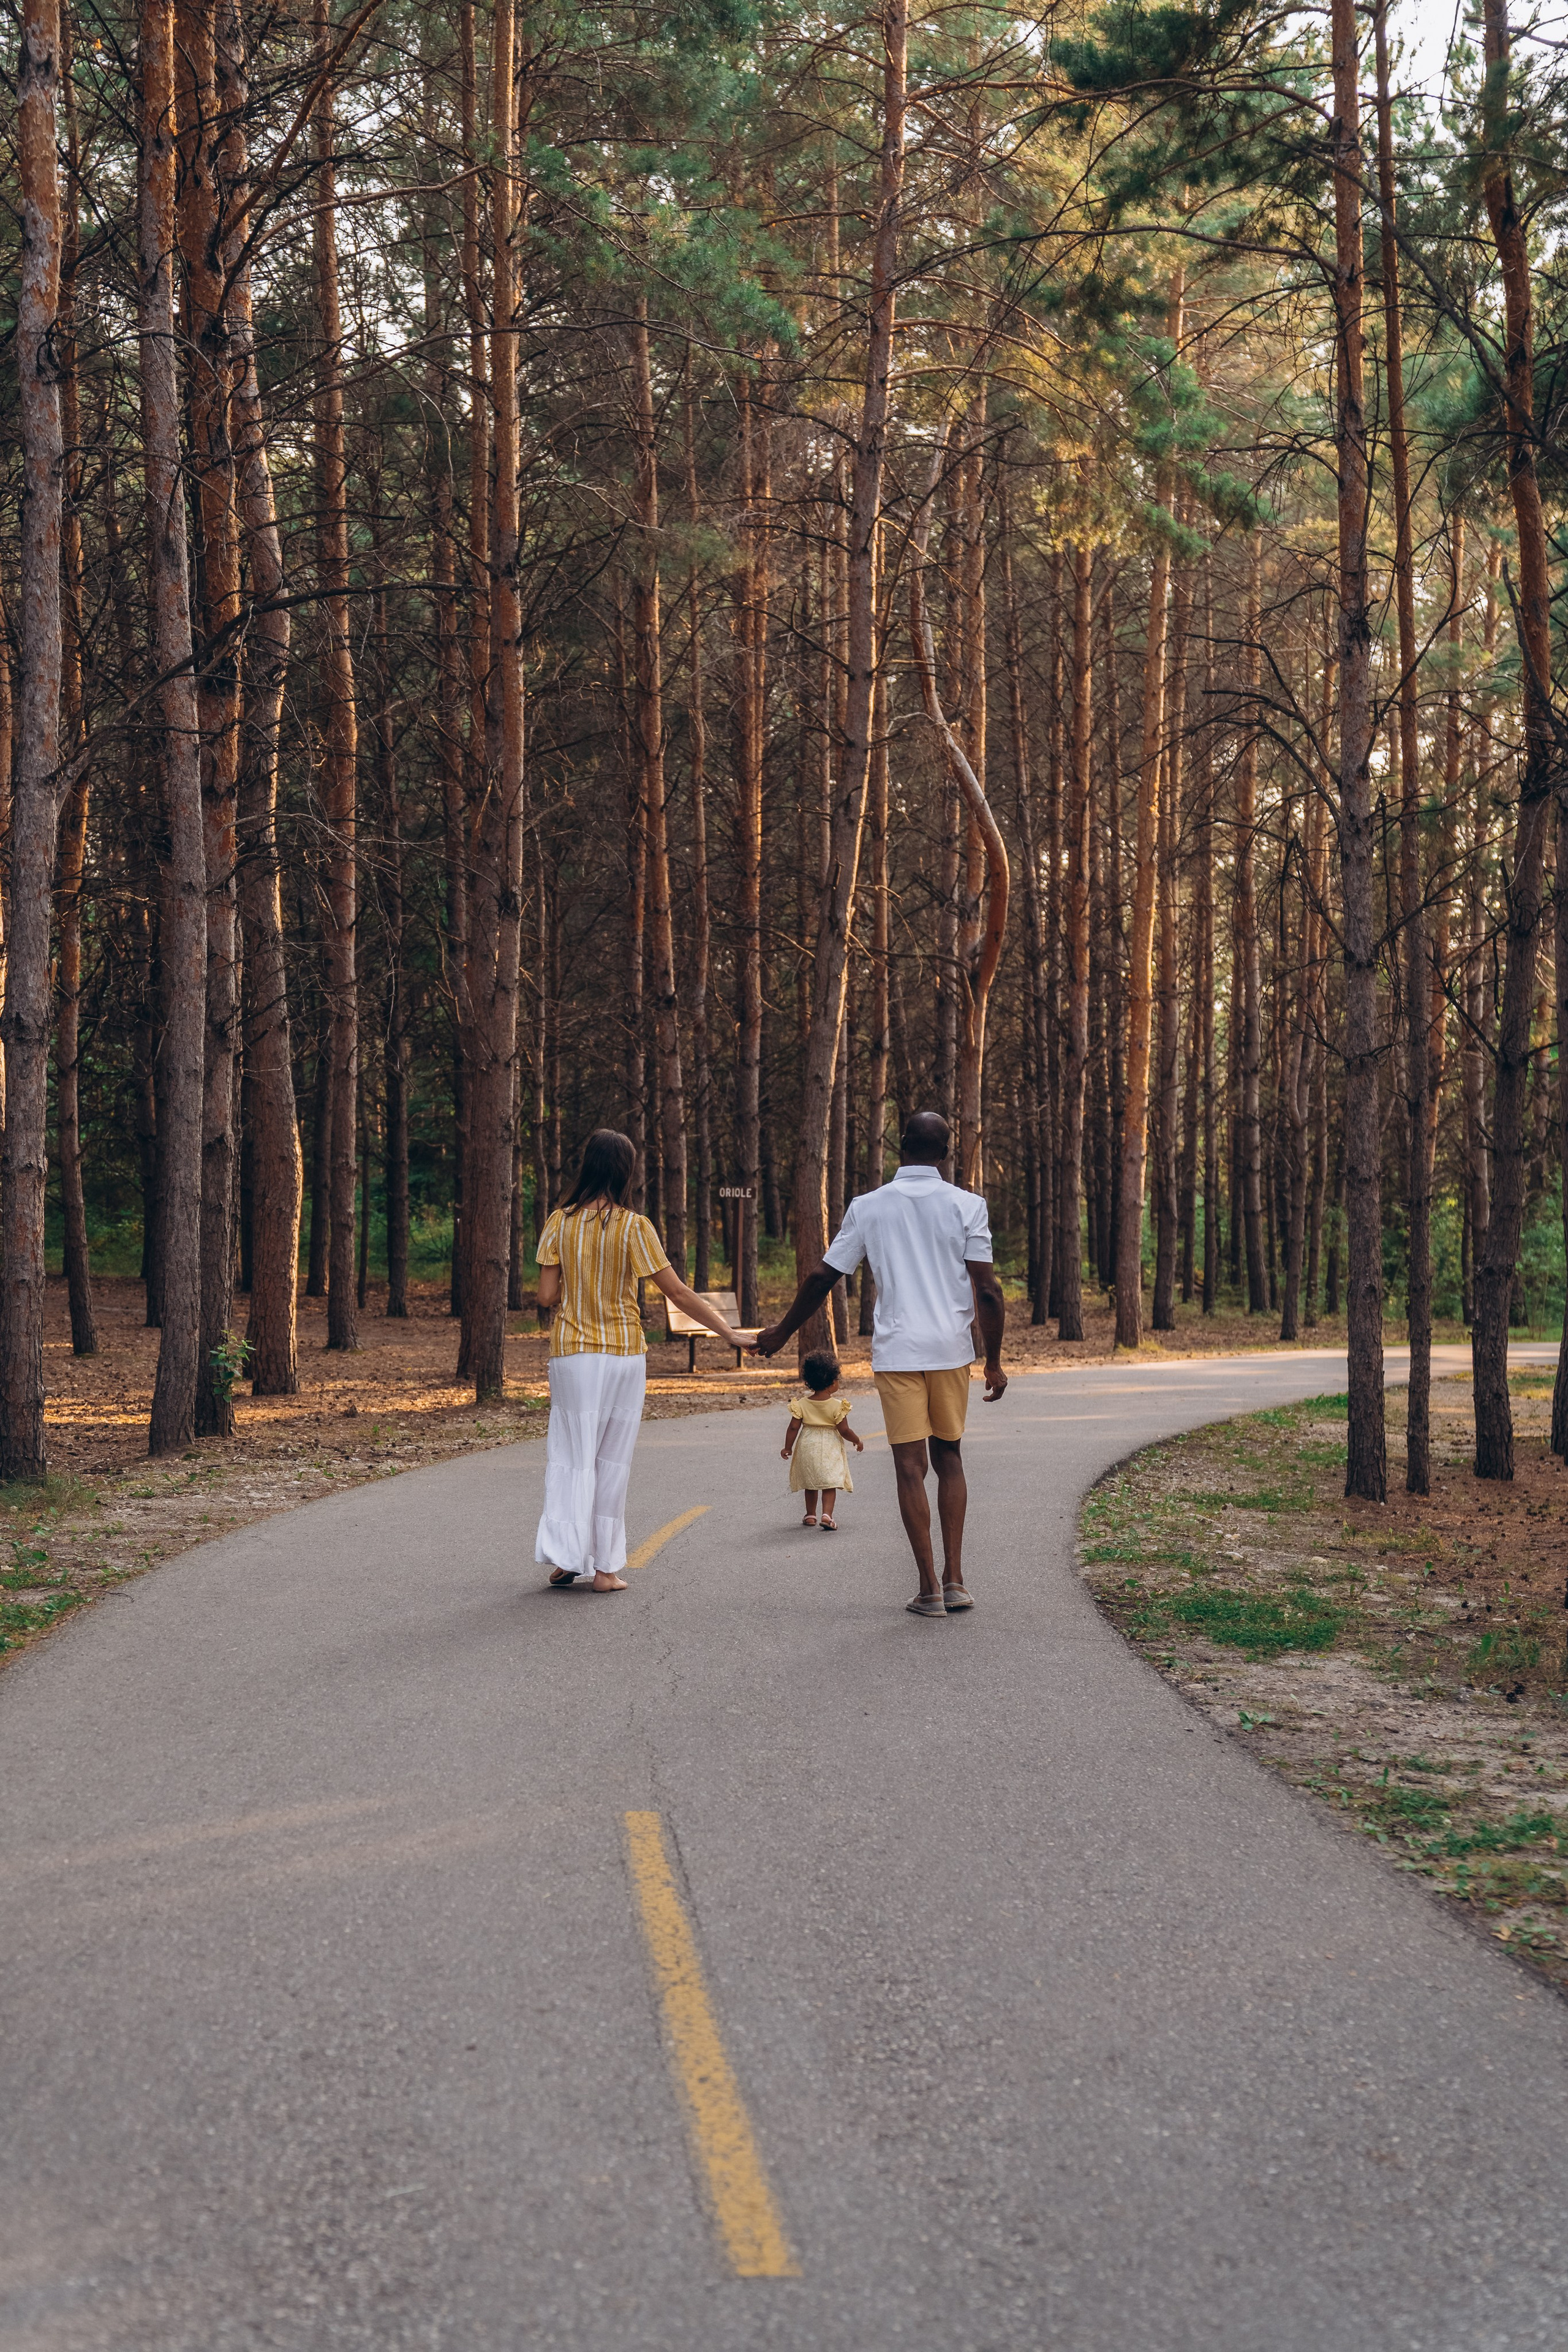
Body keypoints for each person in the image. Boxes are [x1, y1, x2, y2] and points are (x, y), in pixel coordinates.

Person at [754, 1110, 1006, 1616]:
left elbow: (823, 1276)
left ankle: (928, 1589)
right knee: (949, 1459)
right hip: (951, 1352)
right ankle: (956, 1581)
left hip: (898, 1354)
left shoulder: (868, 1207)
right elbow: (988, 1290)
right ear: (945, 1155)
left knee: (910, 1470)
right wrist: (993, 1362)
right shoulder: (968, 1206)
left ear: (902, 1149)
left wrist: (782, 1332)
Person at [535, 1129, 738, 1591]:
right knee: (613, 1461)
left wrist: (575, 1287)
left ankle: (568, 1557)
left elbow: (546, 1296)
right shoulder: (635, 1226)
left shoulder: (558, 1223)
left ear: (587, 1165)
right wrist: (728, 1333)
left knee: (572, 1455)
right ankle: (605, 1570)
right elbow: (678, 1292)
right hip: (625, 1352)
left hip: (574, 1353)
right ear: (625, 1171)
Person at [781, 1350, 866, 1531]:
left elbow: (794, 1427)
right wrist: (857, 1440)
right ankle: (827, 1515)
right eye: (838, 1379)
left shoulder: (802, 1404)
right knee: (829, 1483)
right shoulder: (837, 1405)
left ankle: (810, 1515)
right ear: (831, 1382)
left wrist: (787, 1447)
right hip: (829, 1446)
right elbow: (844, 1430)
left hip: (807, 1443)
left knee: (811, 1482)